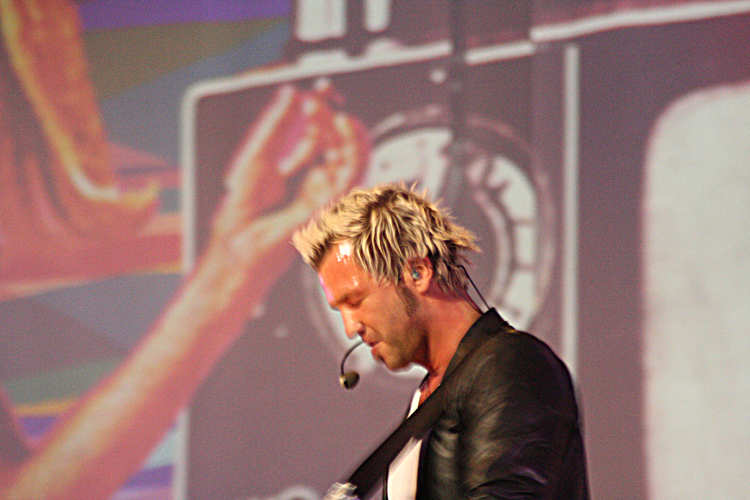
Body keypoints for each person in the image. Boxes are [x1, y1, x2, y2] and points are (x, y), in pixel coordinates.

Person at [292, 184, 589, 500]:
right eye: (340, 310)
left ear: (418, 272)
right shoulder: (431, 394)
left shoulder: (512, 366)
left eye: (355, 301)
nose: (350, 328)